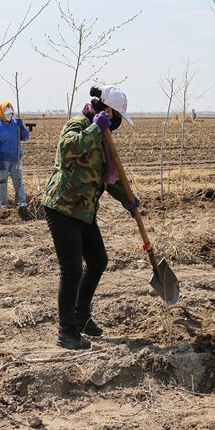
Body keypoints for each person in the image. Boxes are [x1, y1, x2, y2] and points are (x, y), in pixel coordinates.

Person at [42, 86, 139, 350]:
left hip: (83, 209)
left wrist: (128, 200)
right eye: (117, 117)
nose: (117, 123)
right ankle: (66, 331)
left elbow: (108, 175)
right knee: (71, 270)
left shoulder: (103, 134)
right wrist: (95, 128)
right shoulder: (80, 124)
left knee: (97, 260)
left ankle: (82, 317)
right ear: (108, 111)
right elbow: (67, 150)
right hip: (62, 206)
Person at [0, 101, 29, 209]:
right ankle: (3, 204)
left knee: (19, 181)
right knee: (2, 183)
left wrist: (22, 127)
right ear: (1, 113)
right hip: (2, 160)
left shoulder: (16, 124)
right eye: (7, 114)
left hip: (16, 159)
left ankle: (21, 202)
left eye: (10, 114)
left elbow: (24, 137)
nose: (9, 116)